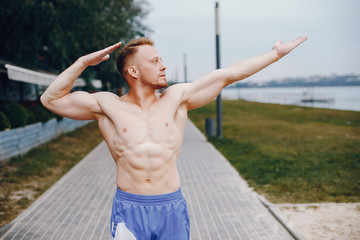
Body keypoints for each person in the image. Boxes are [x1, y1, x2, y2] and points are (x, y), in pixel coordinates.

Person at [40, 36, 307, 240]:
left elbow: (228, 74)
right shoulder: (107, 106)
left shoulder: (177, 98)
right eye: (155, 62)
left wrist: (274, 55)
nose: (163, 66)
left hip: (171, 207)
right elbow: (50, 99)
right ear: (133, 72)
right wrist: (83, 63)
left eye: (162, 60)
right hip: (129, 208)